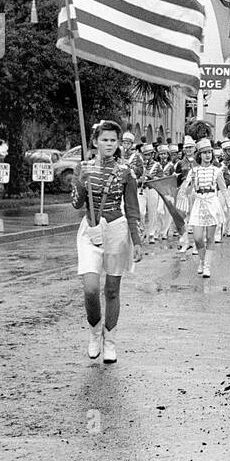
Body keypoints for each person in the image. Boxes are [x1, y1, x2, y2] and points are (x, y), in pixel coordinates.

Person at [71, 120, 144, 364]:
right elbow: (76, 203)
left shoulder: (126, 172)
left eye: (114, 140)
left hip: (116, 230)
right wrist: (81, 180)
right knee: (91, 288)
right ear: (95, 142)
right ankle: (94, 333)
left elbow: (132, 209)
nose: (109, 144)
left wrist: (137, 240)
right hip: (90, 229)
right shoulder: (84, 168)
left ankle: (110, 341)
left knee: (112, 290)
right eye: (105, 140)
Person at [179, 138, 228, 278]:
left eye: (209, 152)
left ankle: (207, 266)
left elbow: (223, 189)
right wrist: (192, 182)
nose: (208, 155)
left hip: (212, 202)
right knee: (198, 238)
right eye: (205, 153)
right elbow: (186, 192)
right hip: (199, 203)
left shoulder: (217, 171)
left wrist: (228, 205)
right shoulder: (193, 171)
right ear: (199, 155)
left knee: (210, 237)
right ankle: (202, 260)